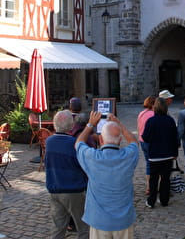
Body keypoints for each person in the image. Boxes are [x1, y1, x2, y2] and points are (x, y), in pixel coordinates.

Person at [75, 111, 139, 239]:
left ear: (101, 139)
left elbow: (78, 143)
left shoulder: (92, 157)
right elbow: (134, 142)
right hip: (123, 220)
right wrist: (119, 124)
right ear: (120, 140)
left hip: (99, 220)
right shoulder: (128, 156)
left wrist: (90, 125)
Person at [45, 110, 89, 239]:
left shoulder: (49, 141)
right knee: (83, 227)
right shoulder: (73, 143)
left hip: (55, 188)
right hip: (73, 189)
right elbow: (83, 165)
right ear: (71, 125)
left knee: (58, 227)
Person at [142, 97, 178, 208]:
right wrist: (175, 153)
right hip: (167, 155)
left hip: (155, 155)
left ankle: (151, 201)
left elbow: (145, 137)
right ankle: (164, 200)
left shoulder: (151, 121)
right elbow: (175, 138)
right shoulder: (170, 120)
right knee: (165, 179)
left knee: (154, 179)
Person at [137, 95, 156, 195]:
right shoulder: (153, 114)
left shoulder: (141, 113)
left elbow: (139, 127)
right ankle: (155, 186)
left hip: (142, 140)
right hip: (151, 141)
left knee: (148, 164)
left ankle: (148, 186)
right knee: (155, 164)